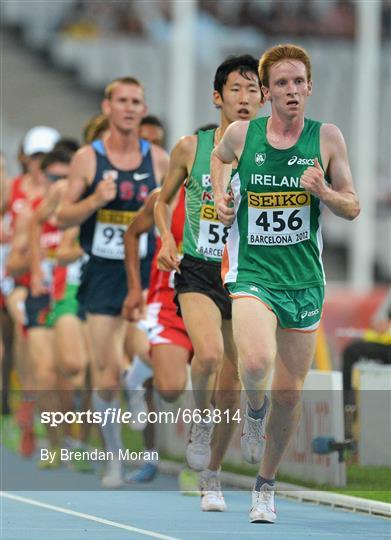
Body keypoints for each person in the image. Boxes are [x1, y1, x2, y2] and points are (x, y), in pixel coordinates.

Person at [211, 43, 360, 523]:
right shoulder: (242, 134)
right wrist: (220, 196)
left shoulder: (327, 138)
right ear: (267, 91)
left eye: (299, 82)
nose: (292, 91)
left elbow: (353, 206)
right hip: (255, 272)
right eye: (281, 83)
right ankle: (253, 413)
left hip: (304, 280)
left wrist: (325, 192)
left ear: (310, 87)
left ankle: (265, 486)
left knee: (291, 393)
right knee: (255, 361)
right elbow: (219, 158)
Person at [154, 55, 263, 511]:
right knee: (211, 355)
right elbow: (162, 202)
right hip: (198, 268)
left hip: (246, 270)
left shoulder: (270, 150)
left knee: (235, 377)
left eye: (253, 90)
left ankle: (212, 474)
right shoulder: (189, 148)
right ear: (218, 97)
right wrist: (165, 238)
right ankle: (199, 422)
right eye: (235, 89)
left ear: (264, 98)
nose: (244, 98)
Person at [57, 76, 169, 488]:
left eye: (135, 101)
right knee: (105, 376)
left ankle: (134, 381)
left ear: (142, 109)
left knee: (145, 352)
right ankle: (115, 459)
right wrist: (95, 201)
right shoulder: (88, 158)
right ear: (107, 107)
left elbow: (173, 208)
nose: (128, 108)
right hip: (102, 274)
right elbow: (62, 217)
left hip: (143, 271)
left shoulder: (157, 158)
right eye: (121, 100)